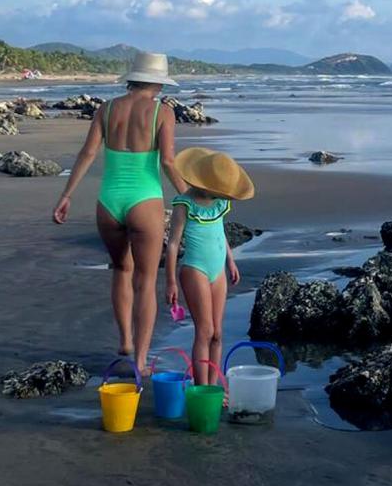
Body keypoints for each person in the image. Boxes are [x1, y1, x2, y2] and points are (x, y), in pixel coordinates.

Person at [52, 52, 186, 375]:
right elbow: (167, 162)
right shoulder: (162, 112)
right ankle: (140, 361)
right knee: (146, 280)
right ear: (157, 82)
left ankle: (125, 342)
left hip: (109, 203)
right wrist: (190, 195)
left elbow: (87, 153)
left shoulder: (106, 109)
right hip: (145, 202)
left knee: (120, 270)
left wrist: (66, 195)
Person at [164, 148, 253, 385]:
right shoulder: (185, 204)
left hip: (218, 270)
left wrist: (230, 259)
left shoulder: (219, 203)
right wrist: (170, 281)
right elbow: (172, 245)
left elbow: (219, 232)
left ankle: (213, 387)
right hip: (195, 269)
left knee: (217, 333)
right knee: (204, 332)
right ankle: (201, 388)